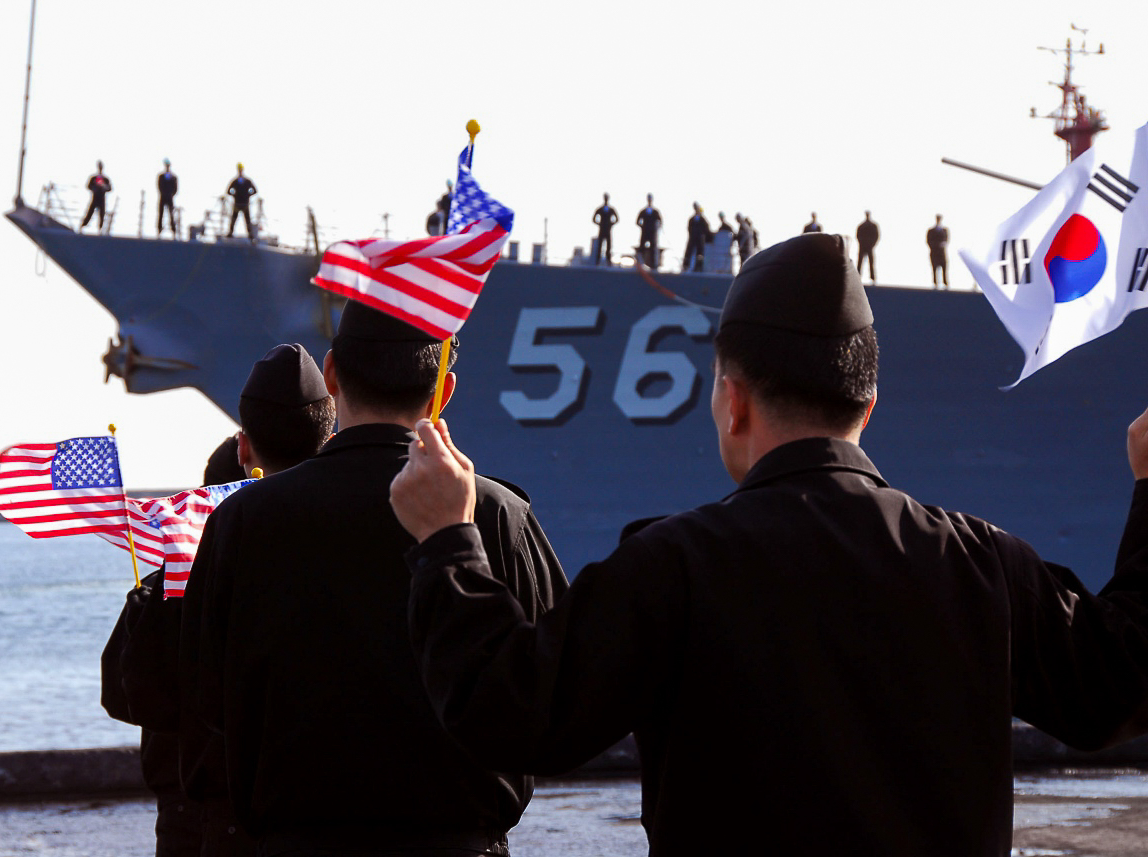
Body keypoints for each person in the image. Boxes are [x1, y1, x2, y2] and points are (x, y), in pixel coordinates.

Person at [389, 232, 1148, 856]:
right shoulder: (984, 565)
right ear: (868, 405)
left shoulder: (673, 567)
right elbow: (1120, 682)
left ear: (733, 400)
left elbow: (510, 713)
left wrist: (449, 541)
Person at [177, 303, 568, 856]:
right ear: (443, 391)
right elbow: (552, 691)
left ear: (331, 374)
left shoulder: (240, 522)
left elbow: (206, 696)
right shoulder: (499, 514)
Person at [103, 343, 336, 857]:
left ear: (246, 448)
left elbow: (126, 695)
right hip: (316, 817)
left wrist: (154, 603)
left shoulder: (177, 580)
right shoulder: (338, 563)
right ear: (327, 443)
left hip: (196, 820)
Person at [226, 164, 257, 239]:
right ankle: (230, 233)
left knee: (247, 221)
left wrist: (248, 195)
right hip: (238, 204)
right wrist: (234, 195)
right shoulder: (236, 181)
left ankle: (250, 235)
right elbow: (228, 191)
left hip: (244, 204)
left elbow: (255, 191)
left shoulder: (246, 181)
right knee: (234, 220)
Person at [80, 160, 112, 233]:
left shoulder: (105, 179)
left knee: (101, 215)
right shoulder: (93, 177)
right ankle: (82, 226)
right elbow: (88, 186)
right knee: (89, 213)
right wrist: (95, 188)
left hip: (102, 199)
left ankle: (100, 230)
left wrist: (104, 187)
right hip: (95, 198)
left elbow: (110, 188)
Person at [635, 193, 662, 269]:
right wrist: (643, 227)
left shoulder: (655, 212)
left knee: (652, 248)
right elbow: (637, 221)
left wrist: (656, 228)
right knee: (642, 247)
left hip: (652, 233)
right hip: (644, 232)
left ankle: (653, 265)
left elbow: (660, 221)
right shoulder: (643, 211)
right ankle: (640, 263)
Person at [683, 202, 711, 272]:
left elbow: (706, 229)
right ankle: (686, 266)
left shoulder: (702, 220)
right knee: (688, 252)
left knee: (700, 254)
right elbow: (689, 228)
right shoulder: (692, 219)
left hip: (700, 239)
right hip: (692, 238)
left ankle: (699, 267)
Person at [592, 193, 618, 265]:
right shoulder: (600, 209)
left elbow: (617, 219)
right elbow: (593, 219)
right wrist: (599, 224)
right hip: (601, 230)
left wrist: (611, 224)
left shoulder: (611, 209)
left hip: (608, 230)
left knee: (608, 246)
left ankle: (608, 261)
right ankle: (597, 261)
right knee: (600, 246)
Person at [856, 210, 879, 284]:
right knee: (860, 262)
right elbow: (858, 236)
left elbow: (876, 236)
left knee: (870, 262)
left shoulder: (870, 225)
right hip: (864, 246)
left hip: (868, 246)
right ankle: (858, 277)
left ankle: (872, 277)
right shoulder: (863, 226)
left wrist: (872, 244)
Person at [158, 159, 178, 238]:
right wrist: (164, 193)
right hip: (163, 197)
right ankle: (159, 229)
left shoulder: (173, 177)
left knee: (171, 215)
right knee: (161, 214)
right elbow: (159, 186)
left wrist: (171, 194)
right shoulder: (161, 176)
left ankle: (173, 230)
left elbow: (175, 188)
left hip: (170, 198)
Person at [928, 214, 950, 288]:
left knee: (944, 268)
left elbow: (946, 240)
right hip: (934, 253)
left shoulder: (944, 230)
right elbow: (929, 241)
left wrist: (942, 245)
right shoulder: (931, 231)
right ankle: (935, 283)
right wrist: (936, 245)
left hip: (942, 253)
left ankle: (945, 283)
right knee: (934, 268)